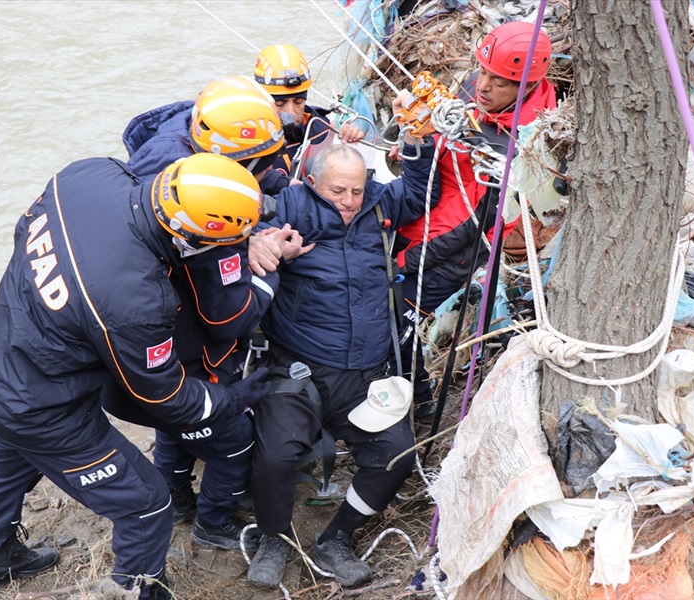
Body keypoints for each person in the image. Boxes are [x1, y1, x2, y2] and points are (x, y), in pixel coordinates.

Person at [0, 153, 282, 599]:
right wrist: (231, 400)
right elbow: (164, 394)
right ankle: (140, 590)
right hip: (45, 407)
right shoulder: (137, 300)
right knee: (148, 505)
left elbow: (23, 233)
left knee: (7, 456)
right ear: (190, 239)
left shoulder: (88, 174)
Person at [244, 134, 439, 588]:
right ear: (313, 182)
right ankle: (273, 538)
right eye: (337, 191)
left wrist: (418, 143)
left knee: (395, 454)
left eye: (356, 189)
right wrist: (257, 244)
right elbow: (248, 224)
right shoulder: (291, 204)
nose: (349, 201)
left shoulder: (378, 204)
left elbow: (419, 190)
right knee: (274, 457)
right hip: (299, 369)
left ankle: (337, 538)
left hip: (366, 372)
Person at [121, 75, 306, 551]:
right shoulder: (208, 227)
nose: (265, 174)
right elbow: (230, 316)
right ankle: (213, 523)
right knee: (231, 436)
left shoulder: (177, 149)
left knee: (173, 426)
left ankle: (178, 498)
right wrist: (265, 262)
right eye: (257, 167)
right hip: (187, 340)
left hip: (152, 337)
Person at [393, 22, 556, 415]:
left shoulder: (524, 142)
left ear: (527, 86)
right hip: (423, 216)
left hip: (449, 251)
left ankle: (419, 406)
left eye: (498, 81)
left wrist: (409, 261)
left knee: (397, 326)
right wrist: (411, 134)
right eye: (481, 71)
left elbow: (478, 229)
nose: (482, 86)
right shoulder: (476, 94)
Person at [123, 75, 286, 190]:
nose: (271, 166)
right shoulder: (178, 180)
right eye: (264, 165)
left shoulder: (200, 130)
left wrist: (281, 183)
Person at [253, 43, 366, 193]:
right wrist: (284, 184)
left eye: (298, 102)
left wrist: (348, 142)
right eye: (280, 104)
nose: (291, 112)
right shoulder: (243, 135)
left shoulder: (323, 129)